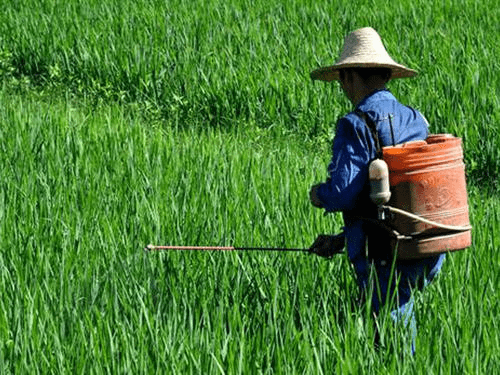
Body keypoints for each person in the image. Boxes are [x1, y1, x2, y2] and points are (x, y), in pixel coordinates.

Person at [308, 27, 445, 354]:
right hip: (420, 245)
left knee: (391, 340)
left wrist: (319, 194)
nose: (342, 87)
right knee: (390, 317)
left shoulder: (355, 124)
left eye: (342, 78)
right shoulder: (416, 120)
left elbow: (343, 192)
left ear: (350, 77)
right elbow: (395, 200)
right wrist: (341, 240)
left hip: (384, 253)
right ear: (386, 75)